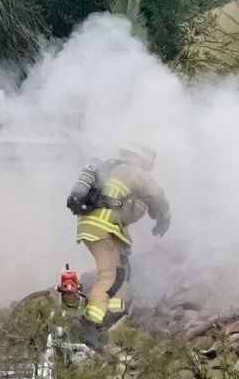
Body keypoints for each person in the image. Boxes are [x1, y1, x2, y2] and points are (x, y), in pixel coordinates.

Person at [64, 145, 170, 347]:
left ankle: (111, 315)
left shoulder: (110, 169)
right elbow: (155, 193)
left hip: (97, 226)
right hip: (104, 227)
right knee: (109, 276)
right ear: (141, 160)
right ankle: (89, 324)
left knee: (122, 272)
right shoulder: (132, 171)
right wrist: (164, 216)